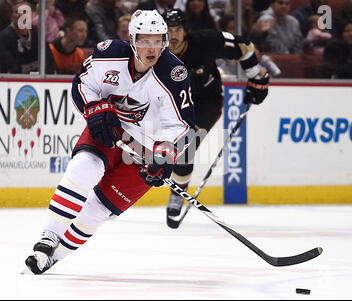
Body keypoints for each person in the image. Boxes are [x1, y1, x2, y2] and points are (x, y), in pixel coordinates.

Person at [24, 9, 195, 274]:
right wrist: (94, 109)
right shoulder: (108, 54)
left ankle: (53, 256)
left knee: (98, 210)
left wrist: (164, 155)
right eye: (145, 40)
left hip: (146, 147)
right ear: (132, 39)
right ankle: (48, 237)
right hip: (109, 128)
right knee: (83, 168)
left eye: (158, 40)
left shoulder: (173, 73)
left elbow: (182, 125)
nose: (153, 48)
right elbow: (82, 84)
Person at [161, 9, 269, 228]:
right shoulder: (154, 50)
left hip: (205, 104)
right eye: (169, 30)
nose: (173, 35)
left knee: (185, 148)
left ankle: (177, 192)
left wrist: (255, 75)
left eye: (178, 29)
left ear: (186, 31)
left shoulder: (205, 42)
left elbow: (243, 45)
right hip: (171, 105)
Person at [0, 0, 55, 73]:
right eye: (17, 12)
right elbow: (8, 66)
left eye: (25, 12)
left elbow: (48, 62)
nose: (22, 15)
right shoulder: (4, 37)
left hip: (39, 81)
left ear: (32, 15)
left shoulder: (37, 35)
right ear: (11, 16)